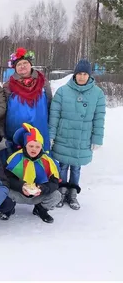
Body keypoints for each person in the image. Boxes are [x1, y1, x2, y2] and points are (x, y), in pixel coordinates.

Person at [49, 59, 106, 210]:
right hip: (64, 136)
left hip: (83, 137)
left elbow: (99, 117)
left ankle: (72, 194)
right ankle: (61, 192)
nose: (81, 77)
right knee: (62, 166)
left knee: (76, 167)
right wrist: (51, 135)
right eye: (79, 73)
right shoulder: (62, 91)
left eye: (84, 74)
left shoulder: (97, 94)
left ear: (89, 75)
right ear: (74, 75)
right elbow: (54, 115)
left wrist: (97, 138)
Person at [6, 123, 61, 224]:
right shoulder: (15, 158)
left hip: (39, 194)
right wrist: (21, 187)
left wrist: (43, 188)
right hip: (19, 193)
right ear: (25, 146)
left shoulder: (48, 161)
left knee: (56, 195)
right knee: (3, 190)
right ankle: (9, 208)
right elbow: (7, 178)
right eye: (31, 146)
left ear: (41, 147)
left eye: (37, 146)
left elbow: (55, 183)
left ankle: (40, 210)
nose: (34, 149)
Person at [1, 48, 53, 154]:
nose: (22, 66)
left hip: (40, 129)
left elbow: (49, 104)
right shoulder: (8, 86)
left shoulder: (43, 82)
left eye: (25, 63)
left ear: (30, 65)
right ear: (15, 68)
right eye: (19, 64)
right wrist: (1, 131)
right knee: (16, 160)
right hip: (15, 129)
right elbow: (3, 109)